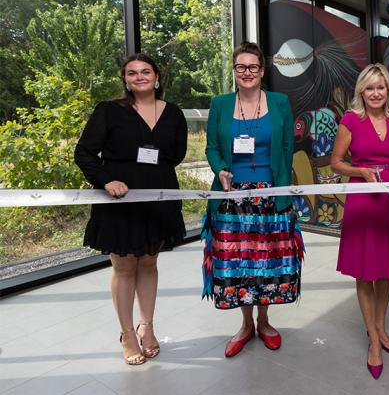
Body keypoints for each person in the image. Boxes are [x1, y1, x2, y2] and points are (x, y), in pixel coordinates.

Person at [75, 54, 187, 366]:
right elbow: (83, 153)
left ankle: (147, 326)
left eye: (146, 71)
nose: (140, 77)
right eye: (132, 73)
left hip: (159, 198)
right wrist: (106, 179)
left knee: (149, 264)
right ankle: (127, 333)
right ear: (125, 80)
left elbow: (176, 154)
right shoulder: (109, 111)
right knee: (124, 268)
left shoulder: (174, 113)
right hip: (118, 201)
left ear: (157, 76)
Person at [202, 41, 303, 358]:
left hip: (271, 197)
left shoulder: (279, 102)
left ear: (262, 70)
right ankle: (246, 324)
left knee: (267, 264)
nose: (247, 72)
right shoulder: (220, 104)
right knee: (237, 264)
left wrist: (281, 191)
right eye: (241, 67)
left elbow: (287, 148)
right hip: (231, 199)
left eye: (253, 67)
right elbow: (211, 149)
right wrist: (220, 171)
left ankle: (265, 321)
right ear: (234, 70)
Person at [330, 63, 389, 380]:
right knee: (366, 270)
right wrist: (361, 172)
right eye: (369, 88)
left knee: (386, 268)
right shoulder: (351, 121)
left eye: (381, 87)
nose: (376, 93)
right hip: (363, 200)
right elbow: (336, 163)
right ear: (361, 92)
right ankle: (373, 341)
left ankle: (381, 330)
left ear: (388, 90)